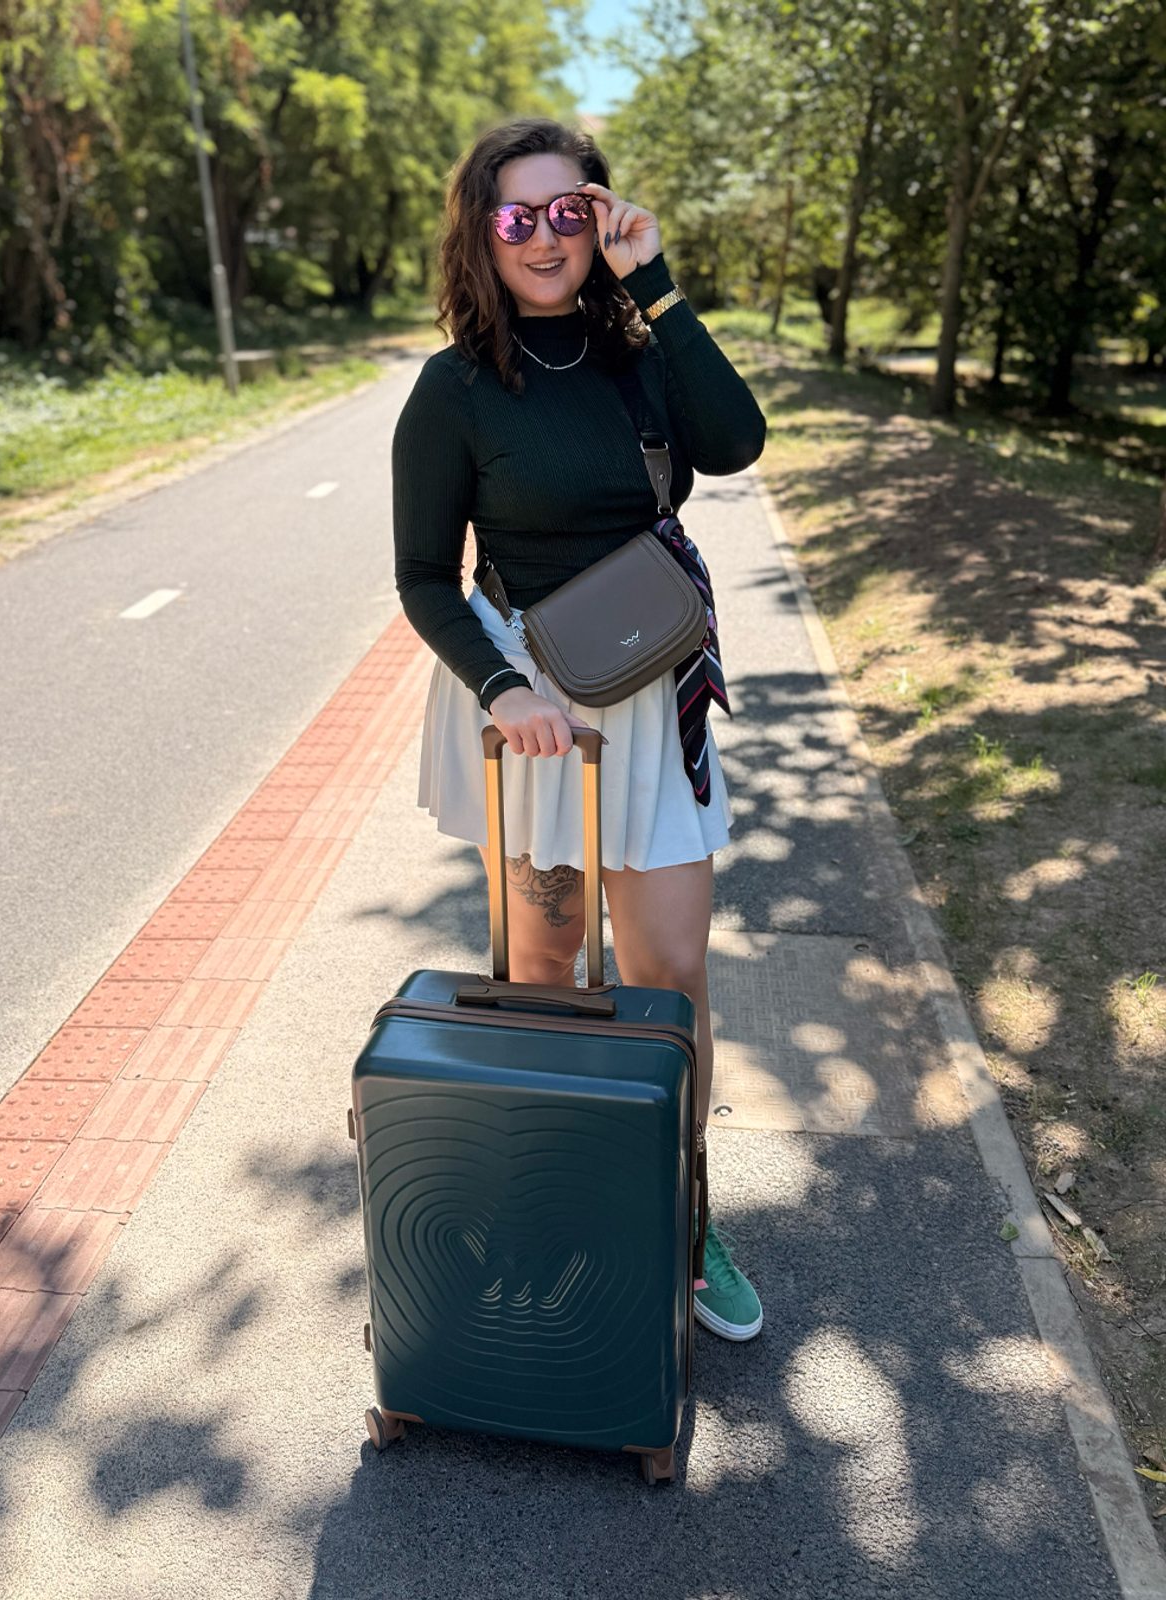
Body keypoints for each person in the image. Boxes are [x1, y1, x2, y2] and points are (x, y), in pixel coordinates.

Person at [392, 117, 767, 1342]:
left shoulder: (639, 354)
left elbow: (736, 442)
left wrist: (653, 281)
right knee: (540, 970)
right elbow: (423, 578)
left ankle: (683, 1212)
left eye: (571, 211)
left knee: (670, 974)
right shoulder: (451, 390)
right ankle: (553, 1203)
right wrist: (503, 691)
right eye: (519, 217)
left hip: (652, 696)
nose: (546, 238)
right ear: (481, 232)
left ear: (598, 217)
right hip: (533, 711)